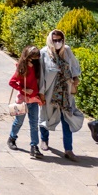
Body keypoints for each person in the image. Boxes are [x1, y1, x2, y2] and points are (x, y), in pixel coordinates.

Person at [38, 29, 83, 160]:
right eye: (55, 40)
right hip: (50, 92)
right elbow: (40, 75)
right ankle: (44, 140)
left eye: (60, 40)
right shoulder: (43, 53)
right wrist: (41, 94)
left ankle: (68, 149)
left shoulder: (67, 51)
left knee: (67, 120)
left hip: (65, 92)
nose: (58, 43)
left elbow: (74, 66)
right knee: (46, 117)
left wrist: (75, 78)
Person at [7, 45, 45, 159]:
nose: (36, 59)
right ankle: (12, 138)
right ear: (28, 57)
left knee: (34, 124)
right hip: (23, 99)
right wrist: (23, 89)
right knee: (19, 121)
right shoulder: (22, 68)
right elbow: (12, 82)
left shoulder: (38, 67)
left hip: (34, 99)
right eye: (33, 57)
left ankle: (34, 146)